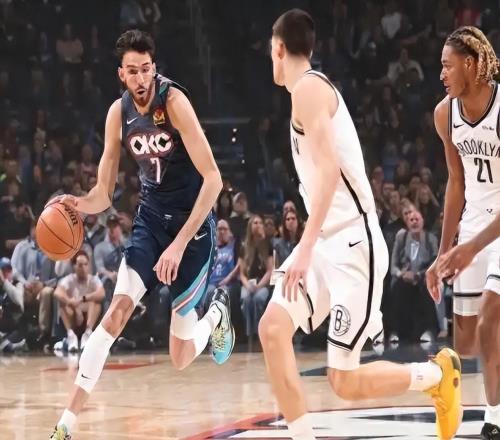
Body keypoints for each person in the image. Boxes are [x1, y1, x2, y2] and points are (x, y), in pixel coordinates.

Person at [259, 9, 461, 440]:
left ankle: (436, 376)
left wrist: (303, 250)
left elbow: (331, 173)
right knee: (272, 329)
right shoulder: (305, 92)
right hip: (326, 239)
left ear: (278, 48)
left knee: (344, 380)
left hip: (354, 243)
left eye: (270, 52)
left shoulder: (309, 89)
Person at [49, 29, 234, 440]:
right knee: (115, 314)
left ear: (154, 68)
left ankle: (215, 316)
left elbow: (214, 180)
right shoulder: (118, 114)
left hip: (191, 230)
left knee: (180, 356)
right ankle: (65, 425)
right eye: (132, 71)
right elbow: (103, 193)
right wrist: (77, 203)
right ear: (121, 74)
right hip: (150, 222)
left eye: (146, 69)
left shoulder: (175, 102)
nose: (141, 78)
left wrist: (179, 244)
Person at [426, 26, 500, 439]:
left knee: (491, 321)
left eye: (447, 66)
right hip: (473, 221)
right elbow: (456, 182)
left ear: (470, 65)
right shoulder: (445, 115)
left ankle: (495, 419)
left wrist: (471, 247)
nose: (441, 74)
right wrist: (444, 253)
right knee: (467, 342)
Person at [54, 251, 105, 352]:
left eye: (86, 264)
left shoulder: (93, 280)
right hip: (73, 318)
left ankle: (88, 334)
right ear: (74, 266)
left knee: (95, 302)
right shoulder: (69, 279)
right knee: (63, 303)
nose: (83, 268)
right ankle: (71, 335)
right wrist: (71, 303)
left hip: (89, 318)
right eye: (80, 265)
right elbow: (57, 292)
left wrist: (83, 298)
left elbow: (101, 293)